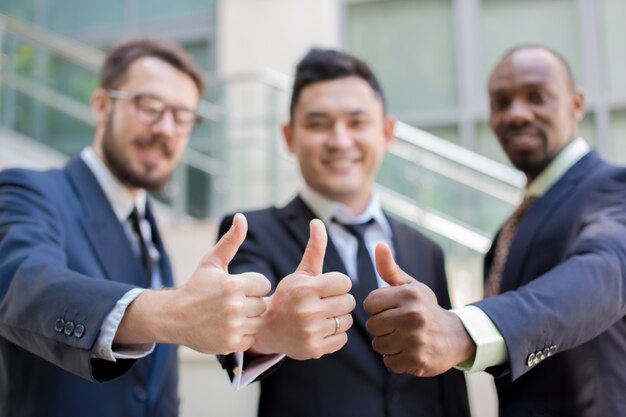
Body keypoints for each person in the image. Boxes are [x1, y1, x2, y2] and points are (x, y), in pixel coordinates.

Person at [0, 39, 278, 417]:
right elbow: (22, 284)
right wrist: (172, 313)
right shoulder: (30, 191)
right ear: (102, 106)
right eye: (149, 107)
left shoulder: (149, 226)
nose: (166, 129)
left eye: (182, 117)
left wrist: (268, 331)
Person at [364, 45, 626, 417]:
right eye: (501, 102)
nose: (516, 114)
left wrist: (461, 331)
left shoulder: (615, 189)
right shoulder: (510, 228)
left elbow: (602, 274)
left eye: (537, 97)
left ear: (577, 104)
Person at [217, 48, 470, 417]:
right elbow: (234, 333)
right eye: (318, 124)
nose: (339, 140)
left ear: (387, 132)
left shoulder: (425, 249)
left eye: (356, 122)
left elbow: (448, 385)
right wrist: (269, 329)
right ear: (289, 136)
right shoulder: (250, 232)